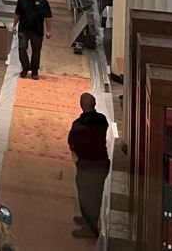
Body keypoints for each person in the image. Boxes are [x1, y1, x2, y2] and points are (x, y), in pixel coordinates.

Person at [68, 92, 110, 239]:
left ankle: (90, 228)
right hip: (102, 163)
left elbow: (72, 144)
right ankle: (89, 220)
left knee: (86, 196)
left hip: (87, 165)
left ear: (81, 105)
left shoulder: (78, 124)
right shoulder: (102, 119)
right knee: (95, 195)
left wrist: (78, 160)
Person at [12, 0, 53, 79]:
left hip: (37, 31)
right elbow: (17, 13)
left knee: (36, 52)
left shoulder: (43, 2)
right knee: (22, 49)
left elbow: (48, 17)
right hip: (23, 30)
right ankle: (25, 68)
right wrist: (14, 25)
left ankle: (34, 72)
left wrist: (48, 31)